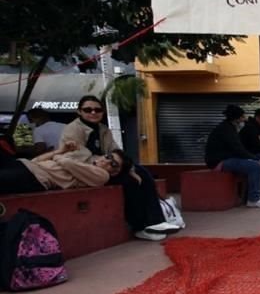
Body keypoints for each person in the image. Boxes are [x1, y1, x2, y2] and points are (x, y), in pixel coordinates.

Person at [61, 96, 181, 239]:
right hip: (85, 172)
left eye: (97, 110)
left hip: (106, 168)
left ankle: (155, 221)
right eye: (88, 110)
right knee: (128, 182)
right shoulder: (72, 130)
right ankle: (139, 227)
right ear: (79, 111)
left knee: (141, 172)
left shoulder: (103, 129)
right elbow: (78, 157)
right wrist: (111, 163)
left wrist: (130, 168)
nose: (93, 113)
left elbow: (117, 152)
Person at [204, 105, 260, 209]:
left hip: (227, 158)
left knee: (256, 161)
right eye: (242, 117)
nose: (244, 119)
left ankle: (256, 196)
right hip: (219, 162)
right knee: (256, 166)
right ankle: (253, 199)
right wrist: (254, 159)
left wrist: (253, 157)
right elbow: (238, 150)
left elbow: (239, 150)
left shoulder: (229, 127)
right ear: (237, 118)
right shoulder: (226, 130)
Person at [0, 141, 125, 193]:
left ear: (115, 172)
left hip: (34, 177)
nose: (107, 161)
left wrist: (59, 157)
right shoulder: (85, 163)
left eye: (113, 164)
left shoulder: (102, 175)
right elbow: (36, 160)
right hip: (25, 165)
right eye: (109, 156)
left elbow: (67, 163)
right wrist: (60, 151)